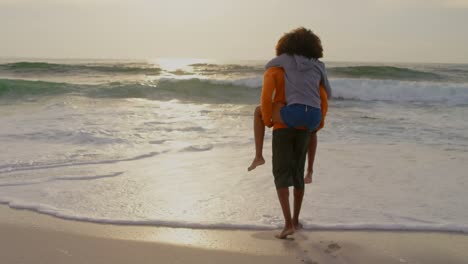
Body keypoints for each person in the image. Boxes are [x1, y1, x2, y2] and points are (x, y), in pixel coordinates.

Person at [249, 27, 332, 239]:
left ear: (286, 46)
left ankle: (258, 156)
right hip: (313, 117)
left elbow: (268, 67)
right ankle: (296, 218)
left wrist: (270, 117)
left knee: (258, 112)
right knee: (298, 172)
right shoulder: (319, 65)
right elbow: (328, 92)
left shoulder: (285, 60)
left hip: (292, 115)